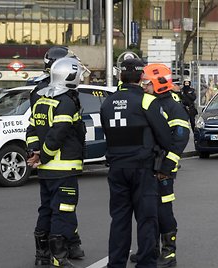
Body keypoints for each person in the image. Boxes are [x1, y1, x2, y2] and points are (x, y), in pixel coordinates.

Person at [100, 59, 173, 268]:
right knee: (147, 220)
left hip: (116, 169)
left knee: (119, 220)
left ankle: (116, 264)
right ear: (142, 76)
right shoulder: (147, 101)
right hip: (142, 169)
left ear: (120, 76)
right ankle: (146, 264)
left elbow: (108, 133)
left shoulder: (107, 103)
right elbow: (165, 137)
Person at [26, 57, 87, 267]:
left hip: (45, 171)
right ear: (69, 75)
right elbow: (57, 135)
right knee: (63, 211)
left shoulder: (42, 99)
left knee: (46, 209)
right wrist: (43, 154)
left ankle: (41, 255)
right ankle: (58, 257)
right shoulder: (67, 102)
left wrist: (34, 152)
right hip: (62, 169)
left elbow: (32, 130)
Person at [129, 64, 190, 267]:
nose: (143, 86)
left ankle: (169, 252)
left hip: (163, 168)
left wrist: (167, 166)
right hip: (147, 165)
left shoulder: (172, 106)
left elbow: (180, 138)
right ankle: (149, 249)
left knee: (163, 210)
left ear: (158, 83)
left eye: (146, 83)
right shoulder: (151, 102)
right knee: (147, 209)